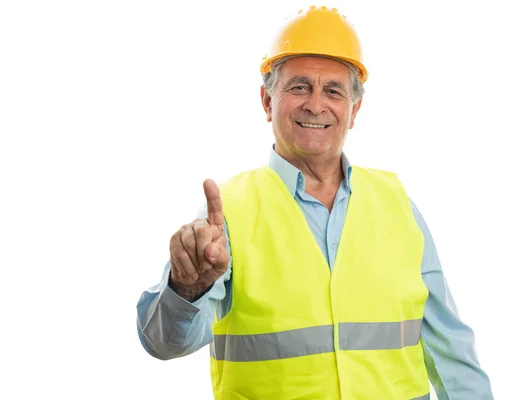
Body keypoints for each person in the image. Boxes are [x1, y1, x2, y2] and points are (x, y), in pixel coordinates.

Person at [137, 5, 494, 400]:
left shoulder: (398, 204)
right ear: (267, 101)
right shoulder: (227, 212)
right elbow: (164, 344)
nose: (316, 104)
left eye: (333, 91)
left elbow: (451, 349)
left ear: (354, 109)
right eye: (299, 86)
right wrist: (186, 289)